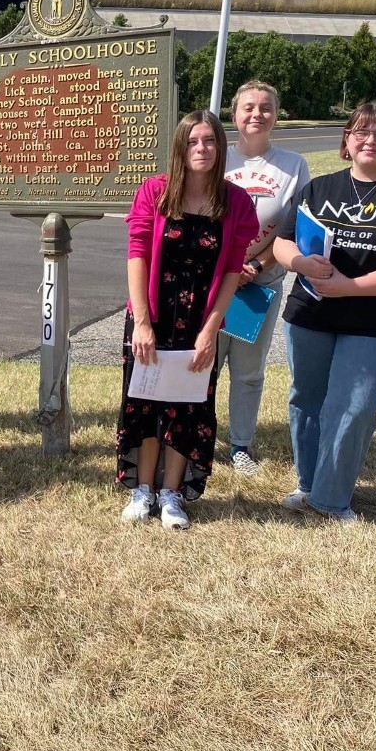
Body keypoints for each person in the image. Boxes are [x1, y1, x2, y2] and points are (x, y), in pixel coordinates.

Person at [273, 103, 376, 524]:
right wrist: (300, 263)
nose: (371, 140)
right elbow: (283, 242)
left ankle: (331, 500)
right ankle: (308, 484)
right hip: (311, 314)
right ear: (346, 139)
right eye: (362, 132)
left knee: (355, 407)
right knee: (307, 400)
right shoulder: (320, 189)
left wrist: (350, 287)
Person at [117, 111, 258, 529]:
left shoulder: (235, 202)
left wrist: (211, 331)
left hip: (199, 321)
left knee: (189, 404)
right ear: (180, 147)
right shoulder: (155, 192)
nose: (202, 149)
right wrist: (142, 322)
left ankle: (172, 493)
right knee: (145, 401)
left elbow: (233, 270)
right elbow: (137, 254)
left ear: (220, 146)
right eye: (193, 141)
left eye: (210, 141)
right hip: (152, 316)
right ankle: (143, 490)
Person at [214, 80, 310, 475]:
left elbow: (296, 225)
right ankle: (195, 436)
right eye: (248, 107)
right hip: (214, 283)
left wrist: (257, 265)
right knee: (202, 364)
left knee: (249, 370)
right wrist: (228, 269)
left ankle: (240, 445)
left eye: (266, 107)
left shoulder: (293, 165)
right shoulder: (217, 159)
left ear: (276, 114)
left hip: (260, 285)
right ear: (234, 115)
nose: (257, 114)